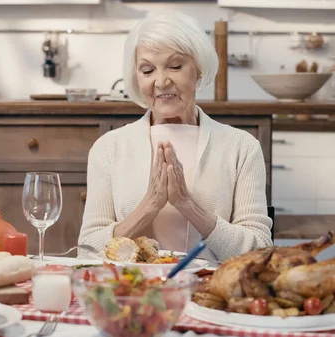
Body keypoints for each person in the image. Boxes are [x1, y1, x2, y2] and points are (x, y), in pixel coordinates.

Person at [77, 11, 273, 262]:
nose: (161, 81)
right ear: (137, 78)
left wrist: (187, 205)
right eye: (147, 70)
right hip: (130, 292)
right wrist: (149, 206)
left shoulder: (241, 147)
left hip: (208, 293)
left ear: (199, 70)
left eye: (175, 66)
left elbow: (259, 251)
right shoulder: (109, 148)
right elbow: (88, 251)